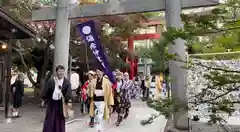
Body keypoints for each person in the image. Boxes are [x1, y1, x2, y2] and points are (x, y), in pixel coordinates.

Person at [41, 65, 72, 132]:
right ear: (56, 72)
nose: (61, 73)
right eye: (59, 71)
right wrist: (45, 99)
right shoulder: (51, 81)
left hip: (61, 104)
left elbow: (69, 93)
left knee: (59, 121)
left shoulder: (67, 82)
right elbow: (46, 91)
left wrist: (67, 101)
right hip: (52, 103)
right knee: (50, 120)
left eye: (62, 71)